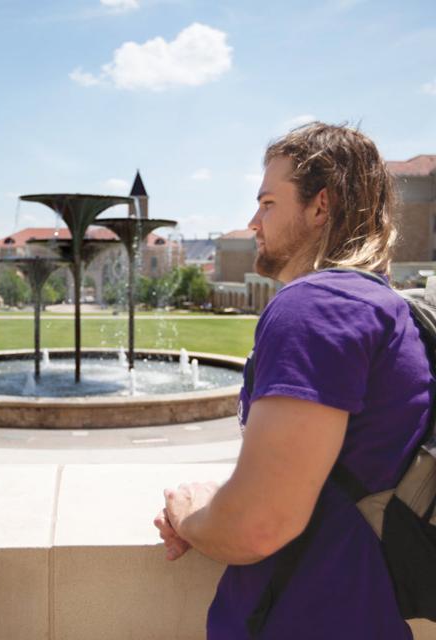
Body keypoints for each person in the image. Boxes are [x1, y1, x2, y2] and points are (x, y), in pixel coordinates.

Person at [155, 123, 433, 638]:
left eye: (267, 203)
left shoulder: (316, 307)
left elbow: (261, 525)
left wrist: (191, 515)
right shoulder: (377, 304)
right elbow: (320, 477)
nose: (253, 221)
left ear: (320, 206)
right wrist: (231, 502)